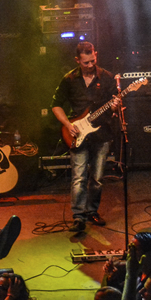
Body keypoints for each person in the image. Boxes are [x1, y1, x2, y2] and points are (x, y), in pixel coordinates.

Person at [51, 41, 120, 233]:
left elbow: (115, 103)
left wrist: (114, 106)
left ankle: (92, 211)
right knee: (79, 177)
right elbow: (56, 105)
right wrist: (68, 124)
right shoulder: (69, 79)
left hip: (102, 133)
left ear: (96, 55)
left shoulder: (106, 77)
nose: (90, 66)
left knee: (97, 178)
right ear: (77, 60)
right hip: (78, 133)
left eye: (93, 61)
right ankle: (78, 217)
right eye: (86, 63)